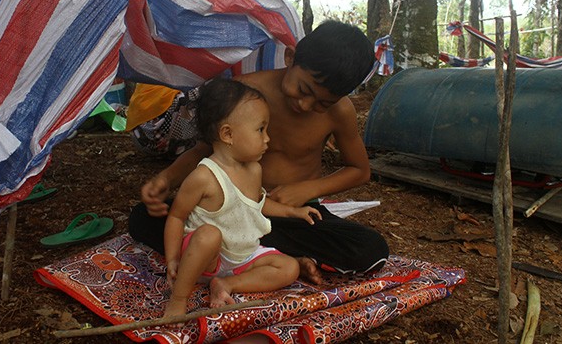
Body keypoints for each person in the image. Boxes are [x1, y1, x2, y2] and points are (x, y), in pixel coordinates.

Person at [130, 20, 390, 281]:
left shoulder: (339, 112)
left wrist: (307, 190)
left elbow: (359, 170)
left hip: (294, 215)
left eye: (323, 103)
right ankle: (270, 257)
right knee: (144, 218)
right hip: (231, 210)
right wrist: (167, 178)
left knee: (371, 249)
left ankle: (245, 254)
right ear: (290, 57)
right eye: (303, 90)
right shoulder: (244, 95)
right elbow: (203, 150)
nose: (306, 104)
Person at [163, 78, 321, 318]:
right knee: (209, 235)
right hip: (206, 260)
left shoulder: (254, 169)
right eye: (260, 129)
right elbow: (176, 216)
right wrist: (173, 259)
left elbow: (257, 203)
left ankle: (226, 284)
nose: (267, 138)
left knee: (289, 268)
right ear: (228, 134)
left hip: (242, 257)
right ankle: (178, 299)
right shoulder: (204, 176)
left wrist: (293, 211)